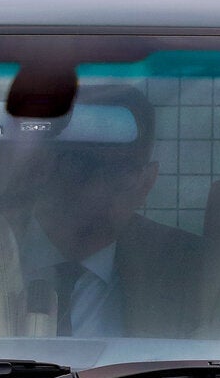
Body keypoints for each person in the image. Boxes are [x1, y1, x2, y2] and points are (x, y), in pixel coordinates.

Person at [18, 84, 202, 338]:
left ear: (146, 183)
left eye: (120, 172)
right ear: (42, 166)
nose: (95, 191)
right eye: (78, 163)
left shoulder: (190, 273)